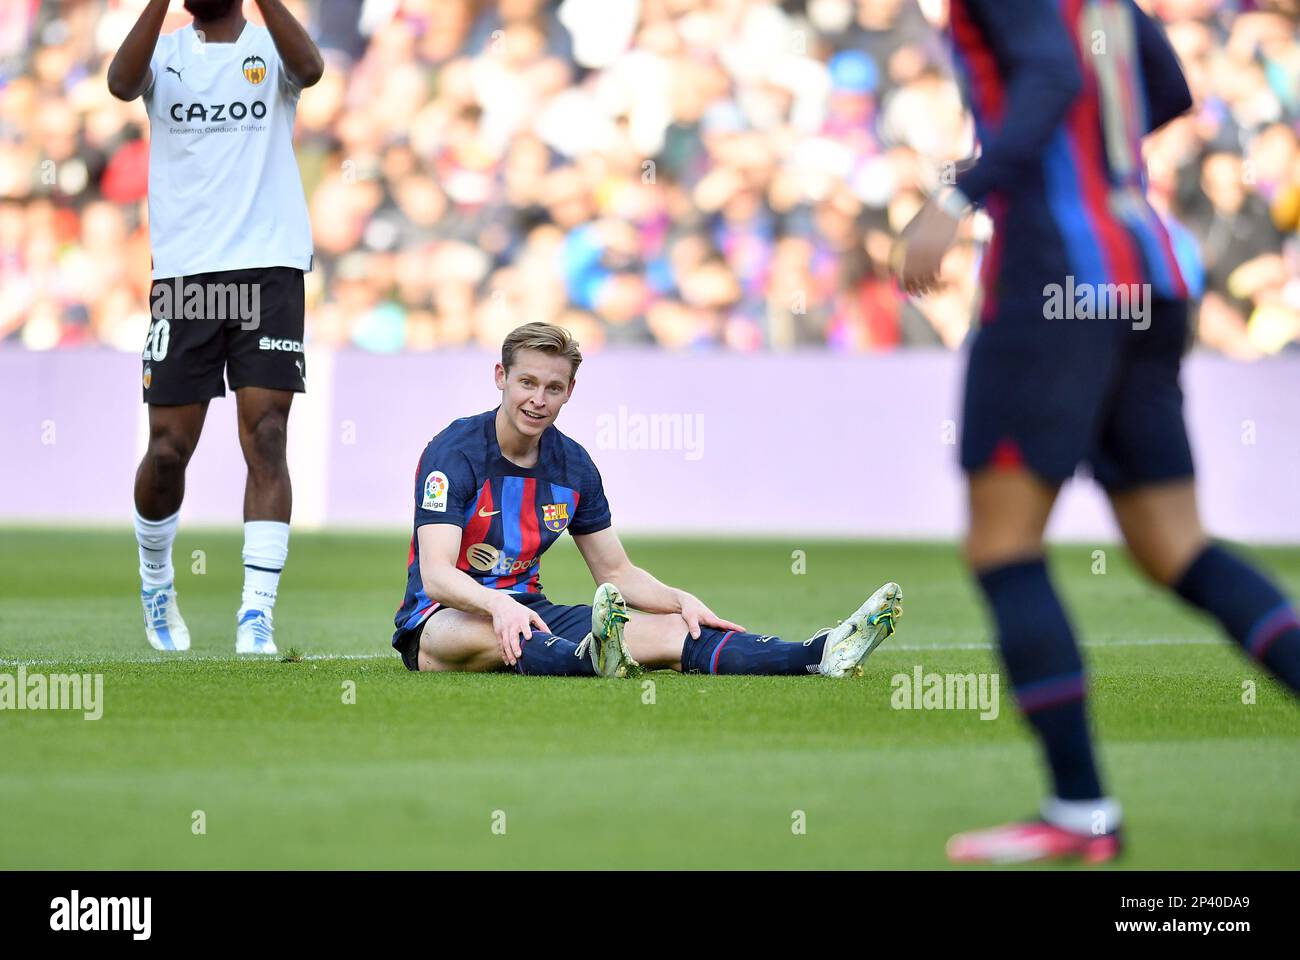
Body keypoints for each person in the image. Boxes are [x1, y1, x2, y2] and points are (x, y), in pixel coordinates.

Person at [895, 0, 1299, 863]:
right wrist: (1090, 155)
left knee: (1003, 547)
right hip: (1146, 270)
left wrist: (962, 191)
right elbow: (1169, 86)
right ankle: (1078, 811)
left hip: (1052, 280)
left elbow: (1052, 74)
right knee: (1175, 546)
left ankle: (1079, 812)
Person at [392, 322, 903, 678]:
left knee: (670, 635)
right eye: (526, 382)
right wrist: (497, 605)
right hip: (441, 620)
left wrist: (680, 601)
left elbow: (615, 572)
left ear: (570, 391)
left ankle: (818, 654)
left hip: (531, 609)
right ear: (500, 378)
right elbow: (437, 574)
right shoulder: (453, 453)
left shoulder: (574, 467)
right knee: (481, 637)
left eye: (553, 387)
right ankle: (592, 657)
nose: (537, 400)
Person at [107, 0, 324, 654]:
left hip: (269, 269)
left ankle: (255, 613)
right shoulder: (166, 54)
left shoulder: (271, 48)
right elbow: (119, 83)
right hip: (189, 277)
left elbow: (311, 68)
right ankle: (156, 578)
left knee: (267, 433)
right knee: (170, 448)